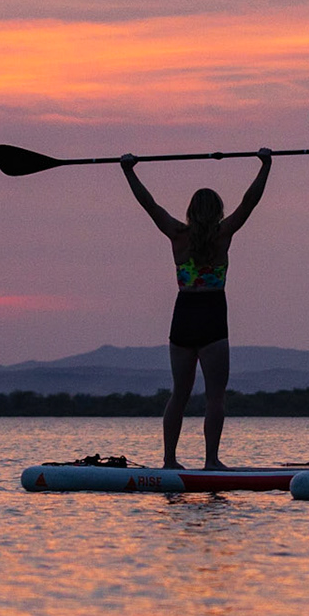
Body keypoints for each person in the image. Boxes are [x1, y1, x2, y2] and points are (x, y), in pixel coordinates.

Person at [119, 148, 272, 470]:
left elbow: (149, 204)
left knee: (180, 393)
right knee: (215, 396)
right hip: (212, 316)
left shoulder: (177, 234)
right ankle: (211, 461)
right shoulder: (223, 234)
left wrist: (128, 171)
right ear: (218, 212)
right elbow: (250, 202)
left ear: (190, 211)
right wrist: (265, 165)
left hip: (184, 317)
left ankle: (170, 460)